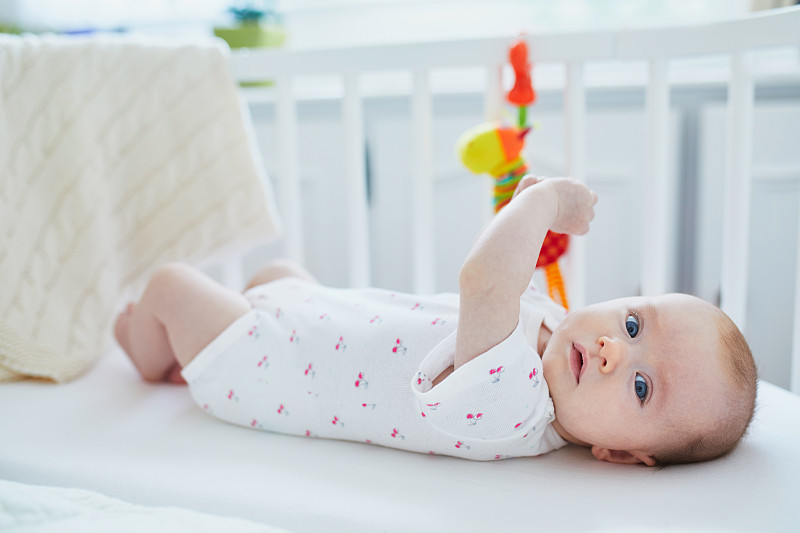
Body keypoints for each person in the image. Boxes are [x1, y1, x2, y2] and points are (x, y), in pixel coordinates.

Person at [114, 176, 757, 465]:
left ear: (616, 453)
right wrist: (522, 214)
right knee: (277, 271)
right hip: (316, 319)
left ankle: (145, 349)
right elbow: (506, 280)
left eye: (642, 388)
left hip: (264, 367)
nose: (616, 351)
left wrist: (544, 203)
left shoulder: (516, 404)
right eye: (635, 326)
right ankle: (214, 323)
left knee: (169, 282)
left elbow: (482, 281)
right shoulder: (554, 338)